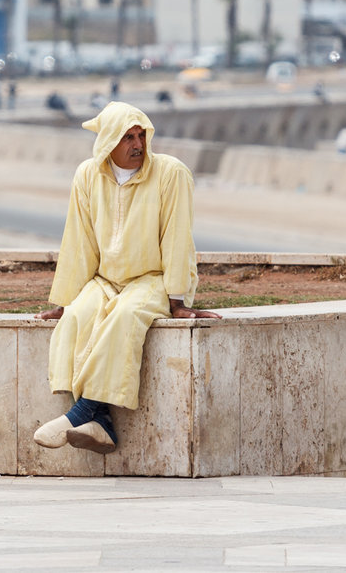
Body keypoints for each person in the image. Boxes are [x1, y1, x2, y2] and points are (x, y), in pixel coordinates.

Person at [33, 102, 220, 454]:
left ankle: (83, 412)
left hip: (153, 279)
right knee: (77, 317)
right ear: (107, 143)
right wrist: (64, 301)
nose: (138, 145)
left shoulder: (171, 173)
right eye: (127, 138)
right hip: (105, 280)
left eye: (141, 136)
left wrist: (177, 300)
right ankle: (99, 420)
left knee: (124, 316)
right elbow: (78, 241)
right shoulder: (87, 175)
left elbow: (178, 237)